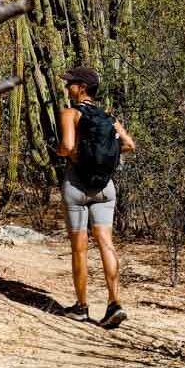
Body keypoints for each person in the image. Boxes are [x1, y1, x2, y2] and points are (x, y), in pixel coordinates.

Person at [57, 66, 135, 328]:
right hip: (104, 187)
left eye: (71, 84)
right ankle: (115, 302)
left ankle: (81, 307)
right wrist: (106, 157)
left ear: (81, 87)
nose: (68, 88)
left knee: (80, 248)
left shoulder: (70, 113)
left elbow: (67, 146)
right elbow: (129, 145)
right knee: (106, 243)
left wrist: (66, 153)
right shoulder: (108, 117)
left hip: (77, 186)